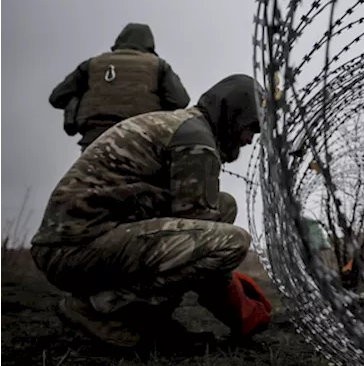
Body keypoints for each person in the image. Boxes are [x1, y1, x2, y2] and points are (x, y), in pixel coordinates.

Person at [30, 74, 270, 350]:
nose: (250, 139)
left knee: (224, 206)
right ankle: (102, 311)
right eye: (251, 127)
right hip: (74, 249)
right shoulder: (196, 140)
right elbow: (201, 240)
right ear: (234, 114)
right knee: (233, 241)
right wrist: (237, 305)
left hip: (78, 242)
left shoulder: (184, 125)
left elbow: (195, 226)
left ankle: (143, 318)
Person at [48, 23, 190, 150]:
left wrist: (78, 101)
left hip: (94, 140)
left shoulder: (92, 65)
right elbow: (180, 101)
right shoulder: (158, 66)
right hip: (139, 139)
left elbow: (57, 97)